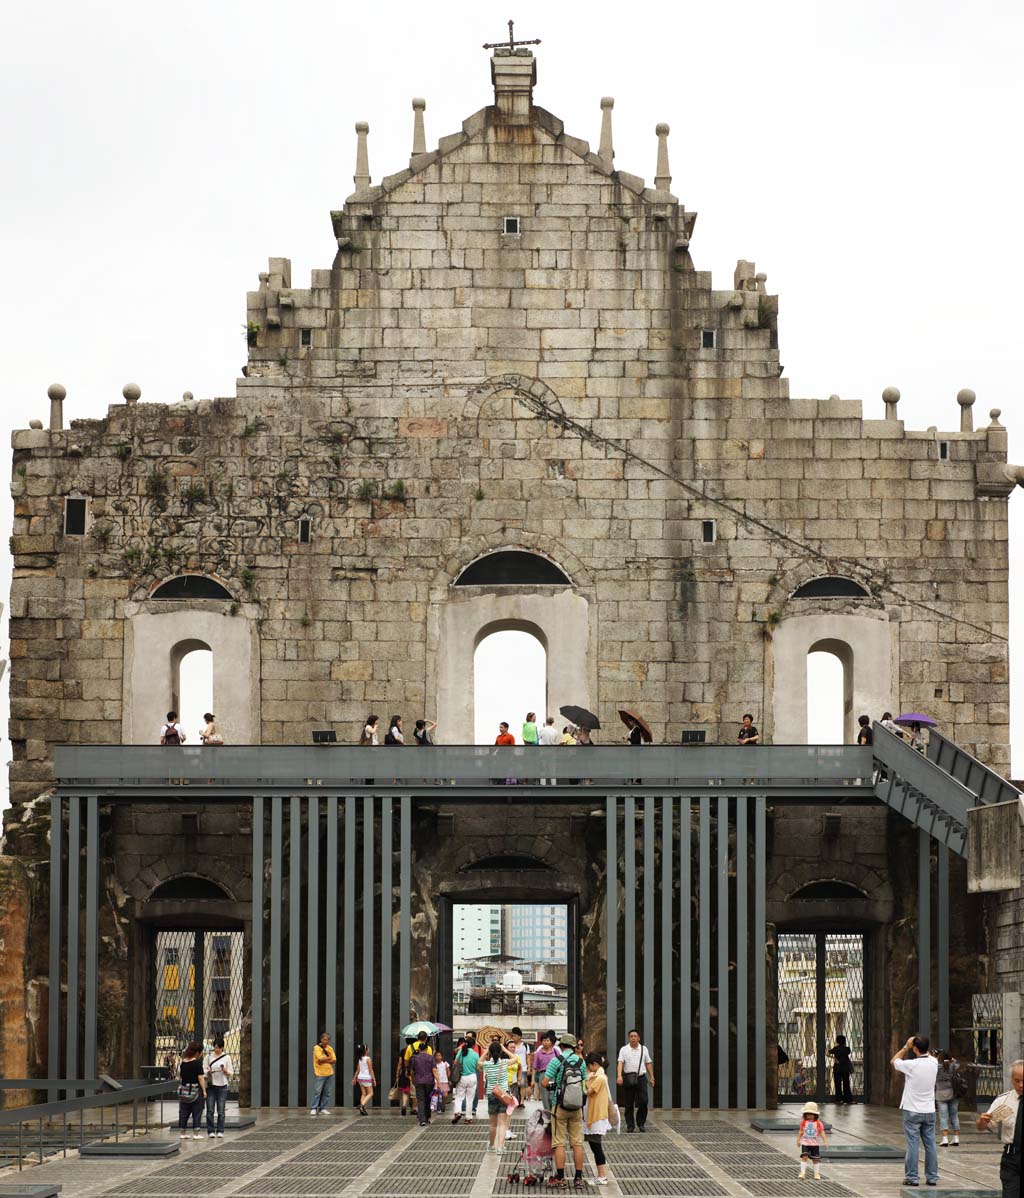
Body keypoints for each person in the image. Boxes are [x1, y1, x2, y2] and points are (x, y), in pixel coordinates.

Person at [893, 1033, 939, 1187]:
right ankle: (932, 1177)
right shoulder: (934, 1062)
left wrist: (906, 1047)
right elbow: (930, 1055)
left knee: (913, 1144)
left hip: (912, 1109)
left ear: (914, 1049)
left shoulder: (911, 1065)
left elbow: (894, 1061)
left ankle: (912, 1177)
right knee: (930, 1144)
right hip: (929, 1110)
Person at [543, 1032, 587, 1189]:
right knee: (577, 1143)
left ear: (561, 1046)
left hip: (559, 1105)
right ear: (574, 1047)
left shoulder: (557, 1060)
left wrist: (553, 1086)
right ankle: (578, 1179)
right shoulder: (581, 1062)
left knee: (559, 1142)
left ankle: (561, 1179)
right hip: (577, 1107)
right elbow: (585, 1084)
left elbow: (544, 1082)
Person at [975, 1057, 1022, 1198]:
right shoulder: (1004, 1101)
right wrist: (981, 1121)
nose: (1021, 1085)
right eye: (1017, 1081)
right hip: (1012, 1157)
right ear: (1012, 1079)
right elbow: (984, 1126)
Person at [583, 1050, 614, 1186]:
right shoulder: (600, 1076)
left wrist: (587, 1079)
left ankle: (602, 1176)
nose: (588, 1069)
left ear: (594, 1064)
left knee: (596, 1147)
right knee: (595, 1146)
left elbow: (587, 1091)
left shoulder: (600, 1078)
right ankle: (601, 1175)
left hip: (597, 1117)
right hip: (596, 1116)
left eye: (589, 1066)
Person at [479, 1040, 517, 1152]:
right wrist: (504, 1049)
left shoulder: (487, 1064)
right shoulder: (504, 1062)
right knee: (502, 1123)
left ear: (490, 1052)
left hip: (492, 1094)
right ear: (500, 1052)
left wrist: (486, 1050)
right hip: (503, 1095)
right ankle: (500, 1147)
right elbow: (515, 1059)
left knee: (493, 1124)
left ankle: (491, 1145)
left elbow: (479, 1061)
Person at [616, 1029, 654, 1132]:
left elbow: (648, 1063)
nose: (633, 1038)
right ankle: (630, 1125)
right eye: (631, 1036)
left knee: (643, 1101)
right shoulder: (624, 1049)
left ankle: (641, 1123)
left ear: (639, 1038)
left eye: (635, 1036)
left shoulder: (643, 1049)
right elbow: (620, 1063)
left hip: (641, 1078)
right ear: (629, 1038)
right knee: (629, 1103)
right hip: (628, 1078)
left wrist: (652, 1077)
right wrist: (619, 1076)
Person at [204, 1035, 233, 1137]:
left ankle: (220, 1130)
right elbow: (203, 1070)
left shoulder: (227, 1057)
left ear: (222, 1048)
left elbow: (231, 1072)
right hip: (211, 1086)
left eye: (218, 1048)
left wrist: (225, 1071)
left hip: (222, 1086)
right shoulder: (208, 1057)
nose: (216, 1049)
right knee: (210, 1110)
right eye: (215, 1047)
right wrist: (208, 1072)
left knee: (221, 1110)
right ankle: (210, 1131)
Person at [177, 1041, 206, 1139]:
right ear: (197, 1052)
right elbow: (200, 1078)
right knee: (196, 1111)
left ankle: (182, 1133)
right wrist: (204, 1091)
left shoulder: (183, 1062)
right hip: (195, 1090)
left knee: (184, 1112)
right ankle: (196, 1134)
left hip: (184, 1091)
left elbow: (181, 1077)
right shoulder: (197, 1063)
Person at [934, 1051, 962, 1146]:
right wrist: (953, 1060)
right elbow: (958, 1063)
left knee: (943, 1116)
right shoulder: (953, 1065)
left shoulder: (937, 1067)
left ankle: (945, 1139)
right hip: (953, 1093)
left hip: (941, 1094)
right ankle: (956, 1138)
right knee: (954, 1115)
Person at [796, 1100, 829, 1181]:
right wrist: (798, 1140)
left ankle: (816, 1173)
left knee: (815, 1159)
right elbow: (800, 1131)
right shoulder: (803, 1122)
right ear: (805, 1115)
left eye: (812, 1114)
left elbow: (822, 1132)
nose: (810, 1116)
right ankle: (802, 1172)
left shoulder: (818, 1123)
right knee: (804, 1157)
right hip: (805, 1143)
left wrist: (825, 1141)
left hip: (815, 1144)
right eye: (808, 1114)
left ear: (815, 1115)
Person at [451, 1034, 479, 1123]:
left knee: (459, 1097)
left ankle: (457, 1112)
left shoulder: (461, 1052)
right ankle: (468, 1118)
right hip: (472, 1077)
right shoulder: (476, 1055)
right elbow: (478, 1067)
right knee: (470, 1098)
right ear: (474, 1045)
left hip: (462, 1077)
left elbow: (455, 1062)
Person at [410, 1039, 438, 1127]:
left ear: (419, 1049)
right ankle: (427, 1117)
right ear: (426, 1049)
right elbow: (434, 1070)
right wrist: (438, 1081)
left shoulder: (415, 1058)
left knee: (420, 1100)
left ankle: (422, 1120)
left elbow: (411, 1071)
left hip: (418, 1080)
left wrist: (413, 1079)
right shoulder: (431, 1058)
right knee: (428, 1099)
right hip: (429, 1081)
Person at [532, 1030, 561, 1110]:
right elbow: (535, 1067)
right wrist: (533, 1080)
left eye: (547, 1040)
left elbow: (561, 1063)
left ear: (551, 1042)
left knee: (552, 1096)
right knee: (544, 1097)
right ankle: (548, 1115)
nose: (545, 1042)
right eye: (544, 1040)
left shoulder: (556, 1051)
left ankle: (553, 1112)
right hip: (543, 1075)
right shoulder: (538, 1053)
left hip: (554, 1076)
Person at [311, 1031, 336, 1116]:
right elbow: (320, 1059)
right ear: (321, 1039)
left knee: (327, 1092)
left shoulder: (330, 1048)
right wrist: (328, 1058)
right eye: (324, 1039)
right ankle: (314, 1108)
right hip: (320, 1073)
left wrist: (325, 1059)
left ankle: (323, 1108)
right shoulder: (317, 1048)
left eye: (328, 1040)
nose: (326, 1041)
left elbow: (334, 1060)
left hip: (329, 1072)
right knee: (317, 1091)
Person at [828, 1034, 854, 1105]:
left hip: (837, 1068)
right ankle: (848, 1100)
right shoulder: (847, 1049)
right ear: (844, 1041)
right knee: (846, 1084)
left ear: (837, 1041)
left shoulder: (835, 1049)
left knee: (837, 1084)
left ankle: (839, 1100)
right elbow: (846, 1055)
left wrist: (834, 1058)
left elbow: (827, 1053)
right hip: (845, 1068)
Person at [508, 1027, 530, 1104]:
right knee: (514, 1085)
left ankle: (522, 1102)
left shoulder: (525, 1045)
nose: (513, 1037)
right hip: (512, 1068)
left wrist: (529, 1067)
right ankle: (515, 1100)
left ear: (519, 1036)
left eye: (515, 1036)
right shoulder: (510, 1044)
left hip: (523, 1067)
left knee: (522, 1084)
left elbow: (528, 1056)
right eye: (512, 1036)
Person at [353, 1042, 375, 1116]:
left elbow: (358, 1069)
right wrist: (374, 1079)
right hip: (366, 1077)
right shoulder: (368, 1059)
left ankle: (363, 1109)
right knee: (370, 1093)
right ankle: (362, 1105)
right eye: (367, 1049)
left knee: (363, 1094)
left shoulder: (360, 1059)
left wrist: (354, 1078)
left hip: (360, 1078)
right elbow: (371, 1070)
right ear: (366, 1050)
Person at [395, 1038, 414, 1116]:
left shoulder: (403, 1050)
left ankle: (404, 1105)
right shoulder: (415, 1050)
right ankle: (414, 1108)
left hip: (404, 1073)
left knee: (405, 1091)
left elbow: (400, 1063)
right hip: (413, 1073)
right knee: (414, 1092)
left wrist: (397, 1073)